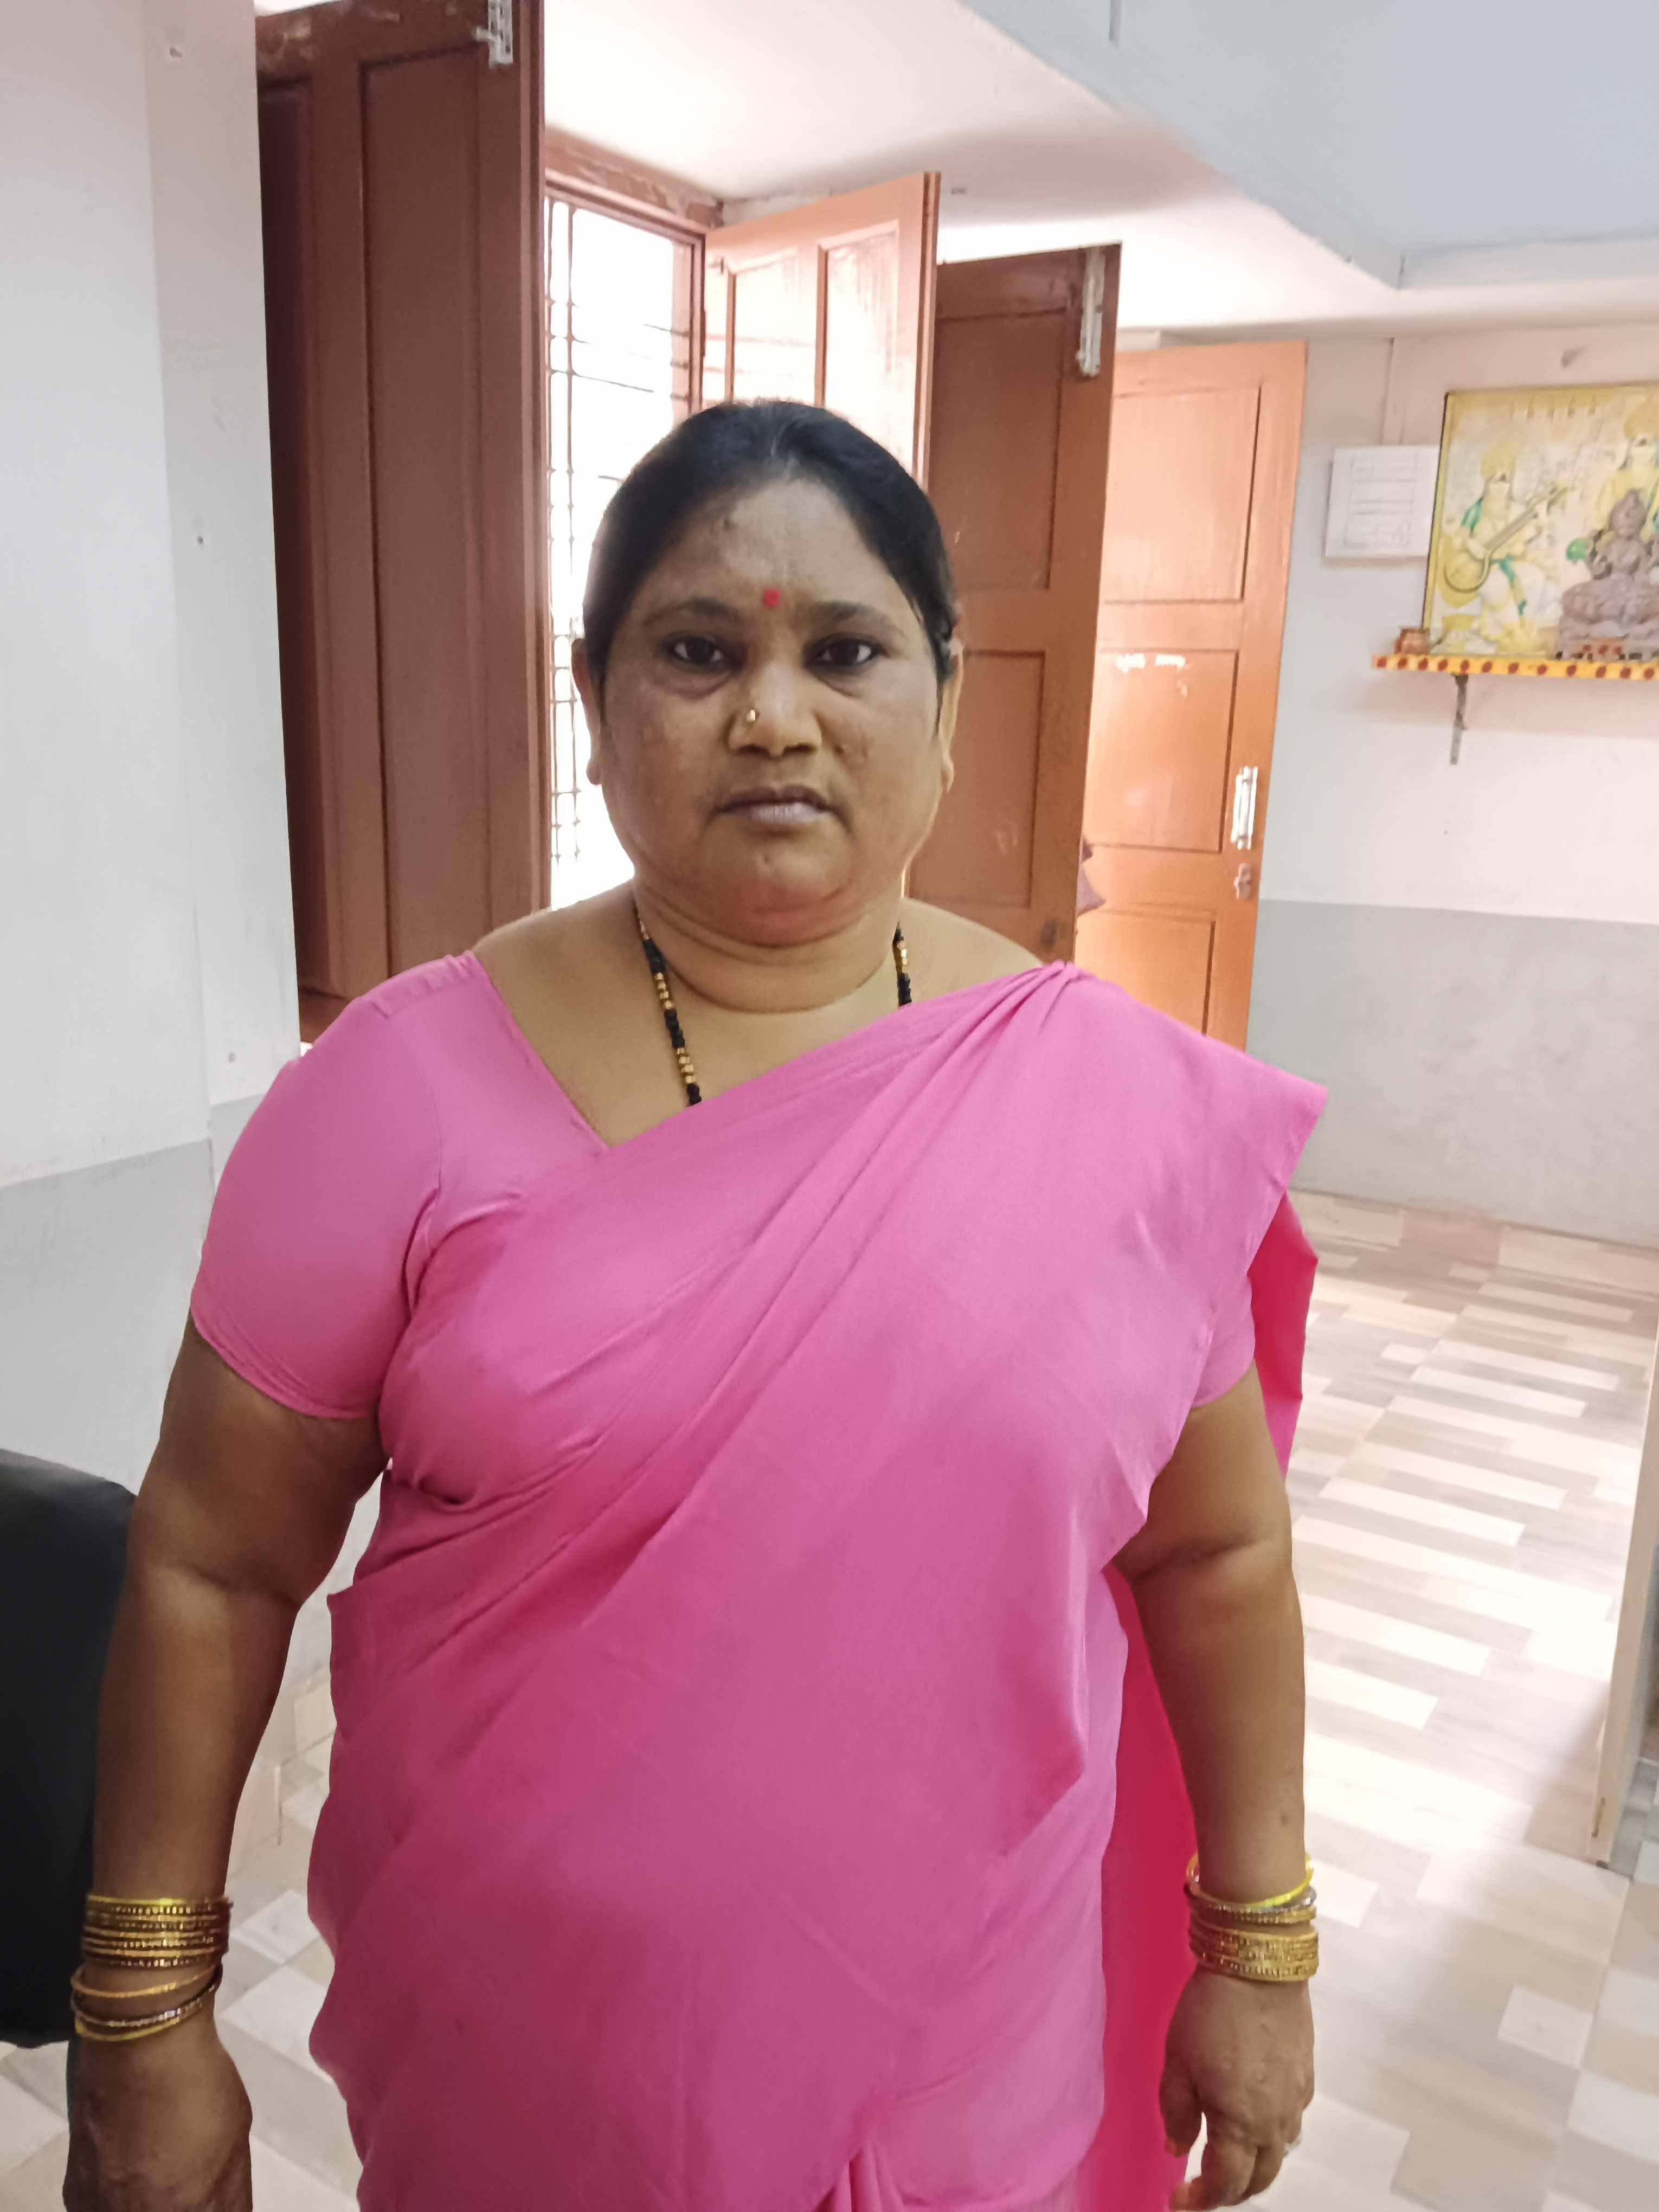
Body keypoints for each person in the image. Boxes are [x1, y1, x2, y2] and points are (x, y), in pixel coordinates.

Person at [66, 401, 1320, 2212]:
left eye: (845, 651)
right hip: (524, 2086)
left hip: (970, 2082)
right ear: (592, 704)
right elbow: (210, 1560)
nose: (773, 715)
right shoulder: (397, 1094)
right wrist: (142, 2011)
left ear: (947, 705)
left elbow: (1213, 1552)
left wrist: (1258, 1942)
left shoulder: (1111, 1110)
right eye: (698, 651)